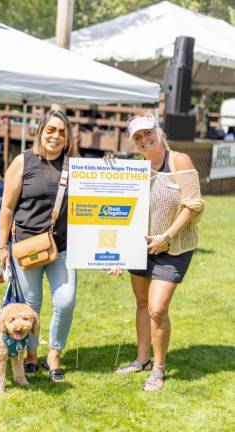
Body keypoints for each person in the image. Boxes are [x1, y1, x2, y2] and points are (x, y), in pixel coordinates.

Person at [111, 110, 204, 392]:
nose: (143, 139)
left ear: (158, 131)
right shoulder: (135, 169)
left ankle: (159, 369)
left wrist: (167, 235)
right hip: (141, 247)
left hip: (174, 247)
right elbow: (119, 212)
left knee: (156, 308)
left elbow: (194, 203)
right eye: (137, 136)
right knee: (141, 303)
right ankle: (142, 360)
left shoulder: (178, 160)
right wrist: (116, 253)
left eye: (147, 133)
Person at [0, 110, 79, 382]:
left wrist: (111, 164)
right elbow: (7, 208)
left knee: (66, 301)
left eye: (61, 131)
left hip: (62, 247)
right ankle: (31, 354)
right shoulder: (22, 162)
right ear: (41, 131)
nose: (55, 136)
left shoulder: (75, 164)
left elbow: (99, 195)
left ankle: (53, 353)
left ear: (68, 138)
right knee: (31, 305)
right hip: (26, 247)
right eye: (50, 130)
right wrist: (2, 247)